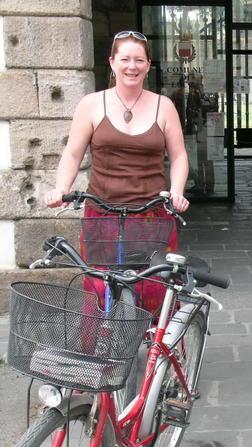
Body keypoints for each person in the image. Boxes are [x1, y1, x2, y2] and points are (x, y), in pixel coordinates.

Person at [44, 30, 189, 312]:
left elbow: (179, 155)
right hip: (102, 213)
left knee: (156, 287)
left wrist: (177, 191)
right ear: (112, 62)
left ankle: (160, 353)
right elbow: (73, 153)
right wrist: (61, 188)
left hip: (152, 214)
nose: (131, 66)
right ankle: (101, 352)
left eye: (139, 60)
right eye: (125, 59)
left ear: (148, 65)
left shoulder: (164, 106)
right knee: (99, 287)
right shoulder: (91, 104)